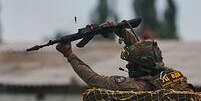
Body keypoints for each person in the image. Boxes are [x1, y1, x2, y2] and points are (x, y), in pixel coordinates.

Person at [55, 21, 193, 91]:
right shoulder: (168, 75)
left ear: (141, 66)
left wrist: (70, 55)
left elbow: (93, 80)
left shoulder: (134, 86)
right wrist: (119, 30)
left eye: (132, 63)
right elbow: (141, 50)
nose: (128, 65)